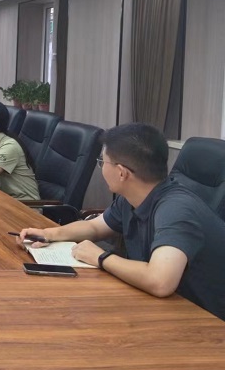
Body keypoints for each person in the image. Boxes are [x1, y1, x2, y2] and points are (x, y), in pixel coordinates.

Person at [19, 123, 225, 321]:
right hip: (161, 307)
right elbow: (94, 226)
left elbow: (160, 281)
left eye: (102, 161)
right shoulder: (133, 197)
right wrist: (49, 234)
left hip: (205, 321)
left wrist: (101, 257)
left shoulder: (176, 209)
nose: (101, 167)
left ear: (121, 173)